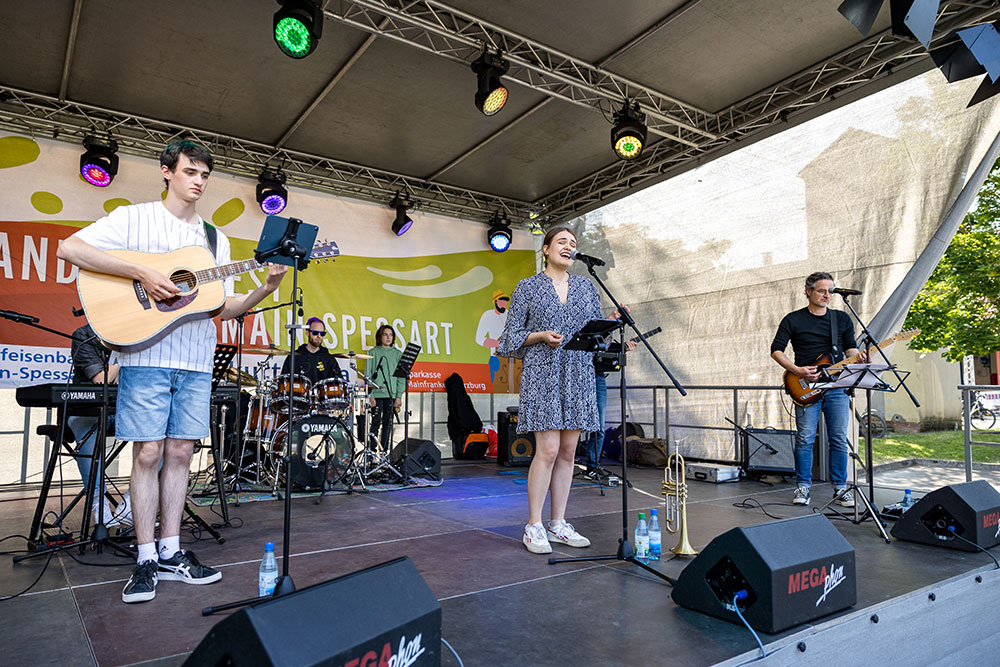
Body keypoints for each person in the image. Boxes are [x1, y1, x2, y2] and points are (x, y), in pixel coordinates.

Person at [57, 139, 287, 604]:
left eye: (205, 175)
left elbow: (222, 306)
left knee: (181, 453)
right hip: (145, 356)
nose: (199, 181)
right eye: (190, 172)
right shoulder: (134, 218)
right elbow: (70, 248)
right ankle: (144, 557)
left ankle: (170, 550)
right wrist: (142, 273)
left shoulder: (216, 240)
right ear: (167, 171)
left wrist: (265, 288)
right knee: (147, 453)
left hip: (196, 361)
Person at [498, 226, 601, 554]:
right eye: (562, 241)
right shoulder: (528, 287)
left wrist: (613, 321)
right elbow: (509, 337)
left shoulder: (586, 287)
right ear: (545, 249)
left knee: (569, 452)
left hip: (578, 374)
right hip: (543, 372)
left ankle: (558, 523)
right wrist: (540, 335)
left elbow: (597, 335)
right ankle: (534, 525)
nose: (569, 246)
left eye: (573, 243)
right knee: (548, 450)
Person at [770, 272, 864, 507]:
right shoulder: (793, 319)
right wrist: (797, 370)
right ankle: (803, 487)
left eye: (830, 291)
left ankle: (841, 488)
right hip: (805, 385)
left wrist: (859, 357)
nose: (827, 295)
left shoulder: (841, 319)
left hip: (836, 386)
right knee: (805, 438)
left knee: (839, 439)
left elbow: (850, 349)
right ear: (808, 291)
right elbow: (776, 350)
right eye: (822, 291)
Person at [68, 323, 132, 527]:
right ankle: (99, 504)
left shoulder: (138, 333)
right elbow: (102, 379)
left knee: (169, 435)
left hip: (125, 410)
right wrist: (126, 349)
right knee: (89, 427)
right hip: (87, 410)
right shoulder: (84, 335)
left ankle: (131, 505)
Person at [583, 325, 636, 480]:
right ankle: (562, 464)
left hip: (598, 377)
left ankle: (593, 465)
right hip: (579, 376)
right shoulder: (593, 323)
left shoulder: (610, 331)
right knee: (573, 427)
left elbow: (605, 352)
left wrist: (622, 349)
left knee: (599, 426)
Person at [367, 324, 404, 450]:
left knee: (388, 423)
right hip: (377, 394)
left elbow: (401, 378)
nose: (388, 337)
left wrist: (398, 396)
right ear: (380, 336)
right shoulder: (372, 352)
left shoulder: (398, 354)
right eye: (385, 334)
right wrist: (370, 395)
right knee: (375, 423)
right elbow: (368, 375)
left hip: (391, 394)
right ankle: (372, 451)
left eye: (391, 335)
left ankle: (384, 452)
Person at [280, 317, 342, 383]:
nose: (319, 336)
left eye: (322, 334)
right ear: (307, 332)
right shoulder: (294, 357)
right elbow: (283, 382)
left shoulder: (329, 359)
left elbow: (339, 383)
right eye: (315, 332)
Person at [475, 290, 509, 383]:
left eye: (505, 302)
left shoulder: (509, 315)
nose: (504, 304)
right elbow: (479, 338)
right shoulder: (487, 315)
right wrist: (498, 343)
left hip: (511, 359)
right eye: (502, 301)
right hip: (496, 358)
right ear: (496, 302)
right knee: (492, 384)